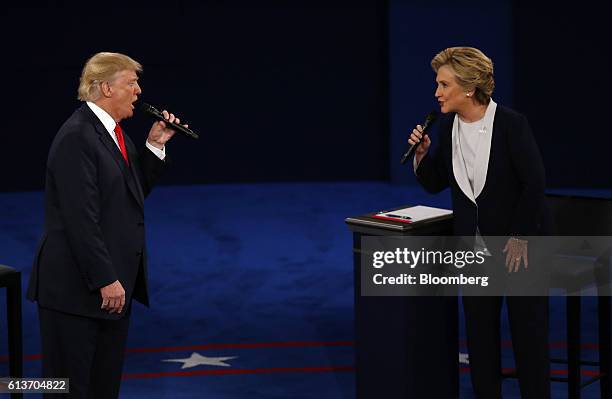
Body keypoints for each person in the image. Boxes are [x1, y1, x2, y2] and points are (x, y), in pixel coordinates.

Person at [26, 52, 187, 398]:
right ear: (104, 87)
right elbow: (79, 217)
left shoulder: (113, 133)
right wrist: (105, 278)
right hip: (78, 290)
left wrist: (154, 145)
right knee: (67, 389)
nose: (139, 91)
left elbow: (127, 196)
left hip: (110, 290)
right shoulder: (77, 137)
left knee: (102, 387)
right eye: (131, 82)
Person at [408, 47, 551, 398]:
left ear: (469, 88)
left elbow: (534, 184)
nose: (437, 93)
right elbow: (436, 182)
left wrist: (519, 236)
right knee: (480, 341)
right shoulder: (447, 127)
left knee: (528, 342)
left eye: (443, 84)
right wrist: (422, 156)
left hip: (520, 251)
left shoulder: (511, 124)